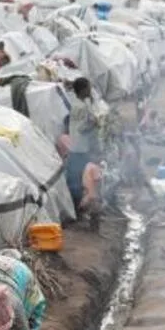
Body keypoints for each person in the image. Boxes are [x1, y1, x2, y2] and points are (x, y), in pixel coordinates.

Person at [64, 77, 103, 209]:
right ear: (83, 90)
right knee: (81, 179)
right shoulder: (81, 107)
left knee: (77, 177)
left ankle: (78, 205)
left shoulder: (77, 103)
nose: (90, 90)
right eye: (88, 88)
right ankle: (79, 207)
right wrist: (94, 123)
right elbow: (82, 127)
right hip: (80, 148)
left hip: (76, 147)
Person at [80, 153, 103, 233]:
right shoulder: (95, 167)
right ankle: (94, 230)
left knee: (91, 210)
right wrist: (99, 194)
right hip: (93, 193)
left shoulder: (88, 165)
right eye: (99, 156)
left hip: (86, 191)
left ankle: (91, 228)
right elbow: (97, 181)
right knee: (96, 211)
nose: (100, 158)